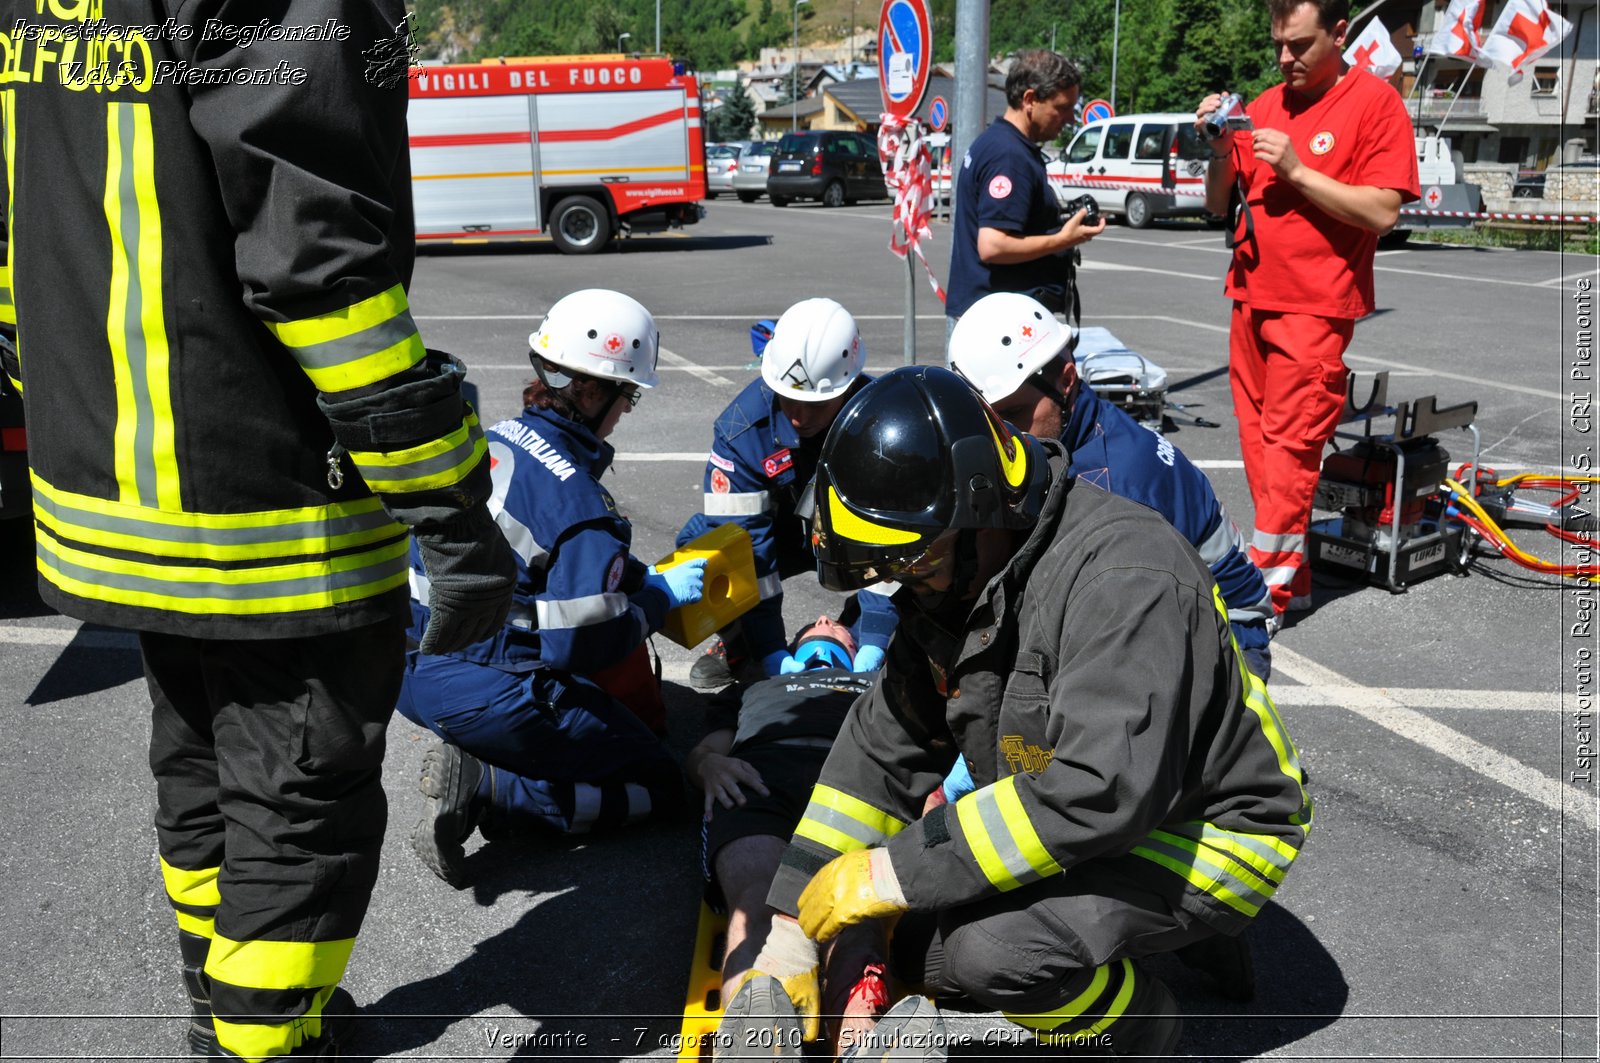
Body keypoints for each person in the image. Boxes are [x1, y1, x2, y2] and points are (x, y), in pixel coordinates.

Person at [0, 3, 519, 1059]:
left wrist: (62, 399)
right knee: (296, 811)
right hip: (259, 495)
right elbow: (319, 265)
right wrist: (451, 512)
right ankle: (262, 1041)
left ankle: (222, 1014)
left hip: (110, 478)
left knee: (198, 767)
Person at [744, 367, 1311, 1058]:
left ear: (980, 512)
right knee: (924, 954)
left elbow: (1099, 790)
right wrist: (792, 930)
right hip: (1105, 804)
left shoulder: (1126, 575)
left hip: (1207, 823)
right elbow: (882, 746)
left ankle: (1143, 1027)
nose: (908, 587)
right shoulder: (963, 568)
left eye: (915, 566)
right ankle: (1178, 937)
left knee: (990, 953)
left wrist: (884, 873)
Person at [398, 289, 705, 886]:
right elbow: (582, 640)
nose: (625, 413)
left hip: (410, 672)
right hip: (485, 690)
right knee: (660, 786)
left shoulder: (490, 437)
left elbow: (527, 561)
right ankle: (493, 789)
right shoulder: (581, 504)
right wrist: (657, 601)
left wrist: (637, 578)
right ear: (591, 392)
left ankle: (487, 761)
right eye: (627, 397)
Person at [1197, 0, 1420, 616]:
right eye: (1278, 45)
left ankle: (1259, 593)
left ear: (1339, 32)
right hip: (1249, 295)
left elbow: (1382, 212)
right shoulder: (1265, 106)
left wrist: (1296, 168)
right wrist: (1218, 145)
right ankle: (1287, 579)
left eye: (1299, 44)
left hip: (1316, 306)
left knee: (1292, 448)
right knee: (1260, 449)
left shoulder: (1374, 103)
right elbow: (1220, 204)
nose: (1285, 58)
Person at [949, 291, 1275, 680]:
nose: (1003, 437)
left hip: (1229, 639)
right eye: (988, 420)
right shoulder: (1063, 435)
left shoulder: (1113, 485)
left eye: (1014, 414)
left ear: (1066, 381)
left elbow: (1114, 637)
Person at [685, 618, 896, 1058]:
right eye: (813, 623)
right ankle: (756, 1045)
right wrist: (708, 766)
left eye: (837, 625)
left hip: (855, 782)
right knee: (757, 899)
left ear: (855, 647)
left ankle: (863, 1045)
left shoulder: (884, 679)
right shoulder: (753, 686)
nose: (823, 621)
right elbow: (706, 751)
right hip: (759, 778)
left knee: (853, 910)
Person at [677, 298, 892, 689]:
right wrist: (771, 649)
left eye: (815, 404)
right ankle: (741, 644)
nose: (798, 416)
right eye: (788, 398)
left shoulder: (885, 423)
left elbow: (898, 540)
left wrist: (876, 637)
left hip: (856, 536)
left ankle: (853, 636)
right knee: (704, 549)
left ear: (848, 387)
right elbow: (744, 548)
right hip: (784, 534)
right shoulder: (742, 432)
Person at [945, 49, 1107, 326]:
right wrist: (1063, 239)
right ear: (1030, 100)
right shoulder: (1008, 156)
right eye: (1062, 108)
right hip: (1003, 326)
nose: (1070, 119)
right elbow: (993, 245)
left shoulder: (999, 144)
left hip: (1001, 316)